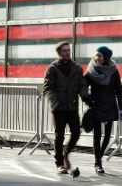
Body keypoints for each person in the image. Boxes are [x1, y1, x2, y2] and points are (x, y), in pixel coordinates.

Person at [43, 41, 92, 175]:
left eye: (68, 50)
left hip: (72, 106)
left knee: (76, 133)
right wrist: (55, 101)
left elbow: (81, 85)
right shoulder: (52, 68)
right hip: (58, 108)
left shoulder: (76, 68)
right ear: (59, 53)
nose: (67, 53)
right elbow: (47, 88)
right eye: (64, 51)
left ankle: (66, 153)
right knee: (60, 136)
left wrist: (85, 95)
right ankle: (59, 164)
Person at [84, 46, 122, 174]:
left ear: (106, 58)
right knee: (97, 136)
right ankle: (98, 163)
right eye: (96, 55)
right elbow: (83, 89)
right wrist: (89, 101)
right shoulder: (90, 71)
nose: (97, 58)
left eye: (100, 56)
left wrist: (121, 109)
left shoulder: (113, 71)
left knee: (107, 136)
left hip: (110, 106)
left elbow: (119, 91)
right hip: (96, 106)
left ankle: (98, 159)